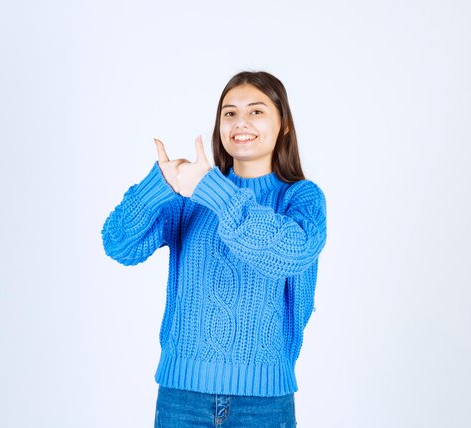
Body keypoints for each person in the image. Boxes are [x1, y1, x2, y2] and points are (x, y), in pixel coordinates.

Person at [101, 71, 327, 427]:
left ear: (283, 124)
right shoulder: (191, 197)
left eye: (256, 112)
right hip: (182, 397)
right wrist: (158, 185)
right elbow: (118, 244)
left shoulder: (300, 197)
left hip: (263, 403)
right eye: (229, 113)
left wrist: (212, 190)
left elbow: (291, 253)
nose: (240, 123)